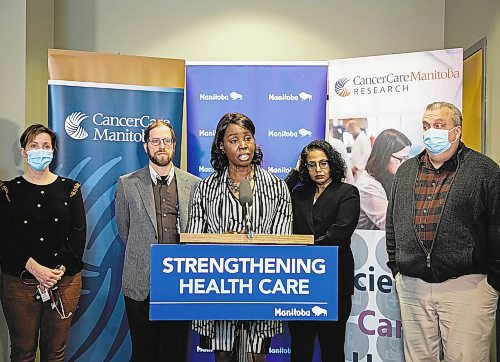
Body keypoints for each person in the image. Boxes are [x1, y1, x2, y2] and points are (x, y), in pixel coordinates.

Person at [386, 102, 500, 361]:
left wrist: (493, 283)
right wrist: (397, 267)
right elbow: (392, 223)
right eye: (426, 126)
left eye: (439, 126)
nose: (430, 132)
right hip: (413, 286)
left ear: (456, 132)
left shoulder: (484, 171)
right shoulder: (406, 171)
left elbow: (497, 226)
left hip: (467, 287)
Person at [187, 112, 292, 362]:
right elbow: (193, 241)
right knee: (223, 356)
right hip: (218, 290)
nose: (243, 145)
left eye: (248, 137)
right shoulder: (206, 188)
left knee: (257, 357)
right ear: (222, 147)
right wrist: (222, 242)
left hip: (263, 290)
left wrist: (251, 243)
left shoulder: (277, 188)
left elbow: (283, 240)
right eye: (234, 140)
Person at [114, 120, 200, 362]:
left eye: (166, 141)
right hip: (141, 282)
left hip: (180, 284)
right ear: (146, 146)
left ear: (174, 145)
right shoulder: (127, 183)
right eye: (155, 141)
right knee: (143, 352)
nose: (161, 146)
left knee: (175, 352)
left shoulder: (193, 185)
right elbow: (125, 230)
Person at [0, 124, 86, 361]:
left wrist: (57, 272)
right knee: (23, 351)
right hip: (20, 282)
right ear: (23, 151)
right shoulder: (8, 190)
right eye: (34, 146)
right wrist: (35, 269)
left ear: (53, 151)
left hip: (64, 282)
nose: (40, 150)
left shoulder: (71, 189)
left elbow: (78, 234)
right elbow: (5, 238)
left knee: (55, 352)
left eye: (46, 146)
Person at [285, 140, 360, 362]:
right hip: (301, 282)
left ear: (332, 164)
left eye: (323, 163)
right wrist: (296, 173)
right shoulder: (299, 194)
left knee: (332, 347)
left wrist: (306, 247)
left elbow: (341, 231)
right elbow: (277, 195)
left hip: (334, 281)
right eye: (311, 165)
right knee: (300, 347)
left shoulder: (347, 192)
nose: (318, 170)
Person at [355, 129, 411, 230]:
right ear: (384, 155)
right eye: (399, 159)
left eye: (406, 159)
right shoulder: (368, 185)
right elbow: (388, 223)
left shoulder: (386, 177)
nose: (403, 164)